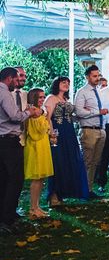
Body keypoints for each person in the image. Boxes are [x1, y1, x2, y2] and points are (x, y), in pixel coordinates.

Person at [0, 67, 42, 234]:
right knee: (15, 180)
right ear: (9, 78)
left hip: (3, 141)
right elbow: (14, 116)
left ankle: (4, 216)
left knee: (3, 180)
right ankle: (8, 217)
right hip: (9, 141)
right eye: (16, 79)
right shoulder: (4, 93)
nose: (17, 83)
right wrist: (28, 112)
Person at [45, 77, 90, 206]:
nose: (66, 85)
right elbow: (47, 118)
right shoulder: (51, 98)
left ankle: (63, 192)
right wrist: (51, 133)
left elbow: (69, 117)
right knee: (58, 162)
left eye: (68, 83)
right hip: (58, 134)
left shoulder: (66, 100)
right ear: (57, 84)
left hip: (69, 133)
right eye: (63, 82)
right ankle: (54, 194)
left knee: (69, 161)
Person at [74, 64, 109, 198]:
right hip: (88, 130)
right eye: (94, 76)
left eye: (98, 75)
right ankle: (83, 190)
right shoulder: (82, 92)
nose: (97, 78)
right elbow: (79, 111)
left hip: (100, 130)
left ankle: (89, 189)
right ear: (87, 77)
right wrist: (97, 112)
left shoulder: (99, 91)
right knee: (87, 162)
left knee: (95, 162)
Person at [23, 88, 54, 219]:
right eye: (40, 97)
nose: (42, 99)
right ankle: (32, 207)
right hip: (35, 146)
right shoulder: (33, 113)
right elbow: (39, 131)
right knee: (36, 178)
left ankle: (37, 206)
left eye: (43, 97)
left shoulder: (40, 111)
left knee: (41, 178)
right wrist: (45, 116)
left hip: (43, 145)